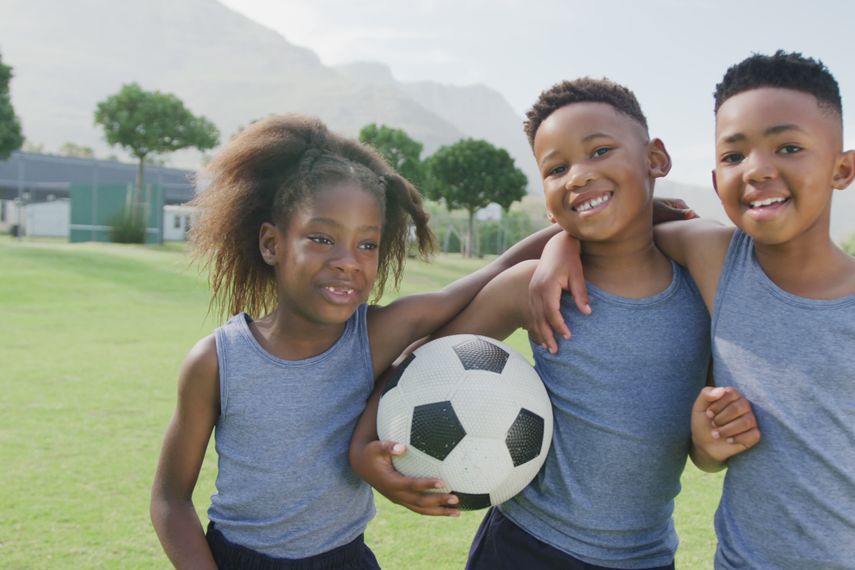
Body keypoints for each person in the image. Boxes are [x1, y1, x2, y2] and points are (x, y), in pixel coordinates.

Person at [530, 52, 855, 568]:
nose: (758, 170)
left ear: (842, 168)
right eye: (735, 156)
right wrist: (561, 243)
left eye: (788, 147)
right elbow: (613, 223)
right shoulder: (714, 258)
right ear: (717, 180)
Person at [350, 78, 761, 570]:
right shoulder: (535, 285)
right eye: (557, 168)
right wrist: (363, 445)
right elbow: (423, 362)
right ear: (547, 198)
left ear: (656, 158)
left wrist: (711, 445)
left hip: (646, 556)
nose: (579, 176)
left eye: (600, 150)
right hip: (525, 548)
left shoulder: (703, 289)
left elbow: (705, 453)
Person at [149, 115, 563, 569]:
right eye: (322, 238)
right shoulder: (216, 361)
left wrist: (578, 235)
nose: (348, 262)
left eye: (367, 245)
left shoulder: (377, 335)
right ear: (272, 243)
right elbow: (170, 500)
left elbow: (496, 272)